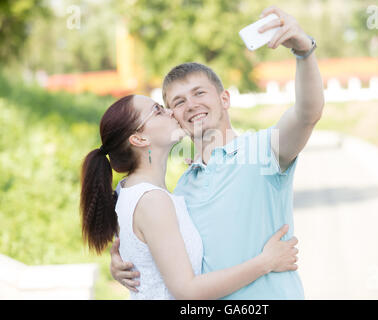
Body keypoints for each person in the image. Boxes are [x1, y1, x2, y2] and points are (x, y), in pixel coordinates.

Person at [111, 5, 324, 299]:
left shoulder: (262, 151)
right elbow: (166, 250)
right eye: (179, 101)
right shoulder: (182, 188)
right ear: (174, 116)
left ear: (224, 98)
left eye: (199, 93)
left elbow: (307, 114)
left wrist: (304, 51)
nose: (191, 105)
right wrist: (124, 259)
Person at [80, 94, 299, 299]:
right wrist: (266, 262)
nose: (170, 112)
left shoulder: (128, 190)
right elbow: (187, 291)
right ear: (139, 138)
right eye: (157, 110)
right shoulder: (152, 200)